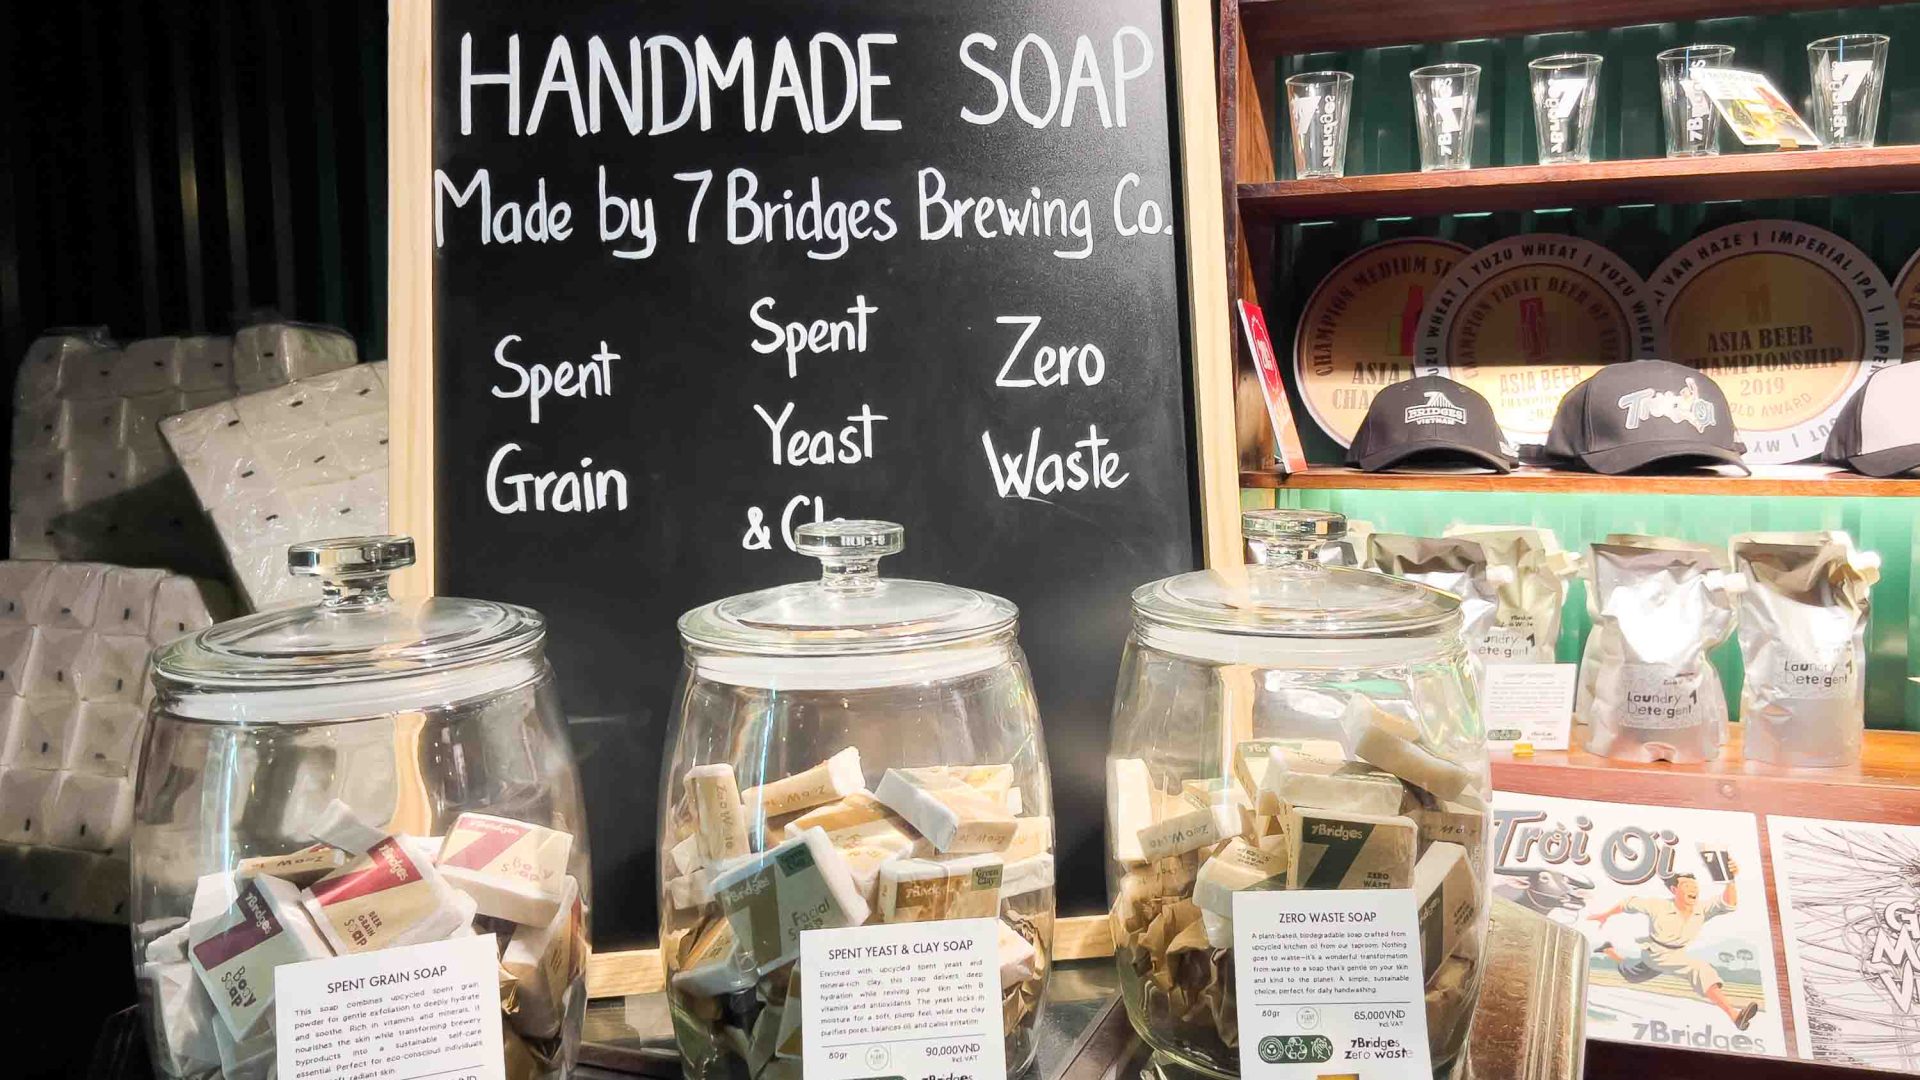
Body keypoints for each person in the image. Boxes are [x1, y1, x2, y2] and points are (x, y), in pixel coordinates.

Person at [1587, 861, 1760, 1031]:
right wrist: (1605, 915)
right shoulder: (1658, 906)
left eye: (1695, 885)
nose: (1693, 889)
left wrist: (1730, 880)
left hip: (1677, 955)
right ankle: (1734, 1015)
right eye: (1686, 885)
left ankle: (1609, 950)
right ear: (1674, 890)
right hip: (1656, 954)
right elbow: (1627, 903)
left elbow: (1728, 903)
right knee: (1699, 969)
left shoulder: (1702, 909)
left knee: (1632, 975)